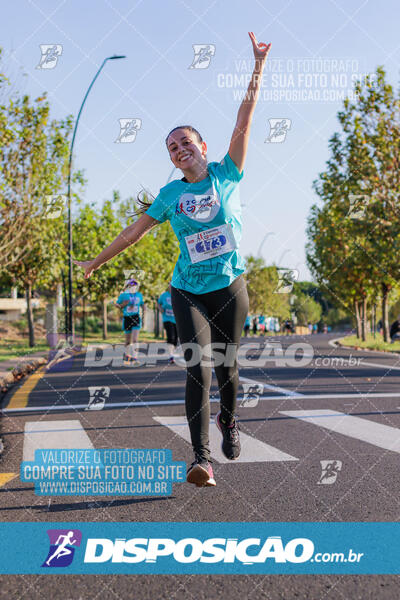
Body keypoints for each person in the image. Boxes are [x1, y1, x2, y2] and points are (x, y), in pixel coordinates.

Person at [74, 32, 271, 488]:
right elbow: (133, 232)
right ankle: (201, 458)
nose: (180, 149)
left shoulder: (227, 173)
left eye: (186, 142)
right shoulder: (170, 195)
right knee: (197, 367)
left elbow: (246, 116)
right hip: (185, 290)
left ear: (203, 147)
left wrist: (257, 66)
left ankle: (230, 419)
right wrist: (95, 263)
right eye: (172, 147)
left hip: (230, 286)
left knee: (228, 368)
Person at [115, 279, 144, 363]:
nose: (133, 287)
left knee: (135, 339)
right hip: (127, 318)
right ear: (128, 286)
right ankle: (127, 354)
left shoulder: (139, 295)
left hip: (136, 318)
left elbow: (142, 303)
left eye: (135, 285)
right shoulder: (124, 295)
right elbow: (117, 305)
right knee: (128, 341)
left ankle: (135, 357)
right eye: (131, 285)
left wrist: (144, 309)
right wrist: (123, 304)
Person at [158, 283, 178, 363]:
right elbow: (158, 303)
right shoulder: (164, 295)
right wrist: (160, 309)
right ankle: (171, 355)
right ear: (168, 286)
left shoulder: (177, 295)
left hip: (176, 319)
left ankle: (173, 353)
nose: (171, 286)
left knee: (176, 337)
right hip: (166, 318)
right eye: (170, 285)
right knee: (171, 336)